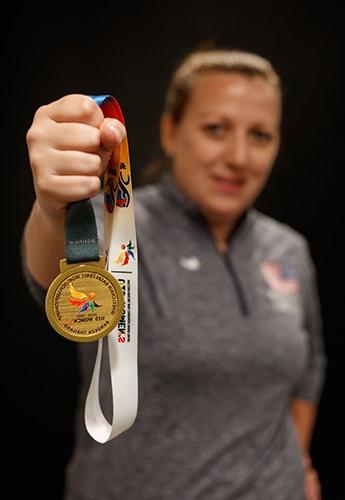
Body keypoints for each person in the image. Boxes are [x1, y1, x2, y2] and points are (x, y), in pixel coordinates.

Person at [22, 47, 326, 500]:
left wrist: (298, 464)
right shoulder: (118, 224)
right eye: (216, 129)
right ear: (170, 131)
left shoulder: (289, 248)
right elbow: (50, 275)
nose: (239, 157)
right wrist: (52, 207)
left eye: (260, 135)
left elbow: (309, 367)